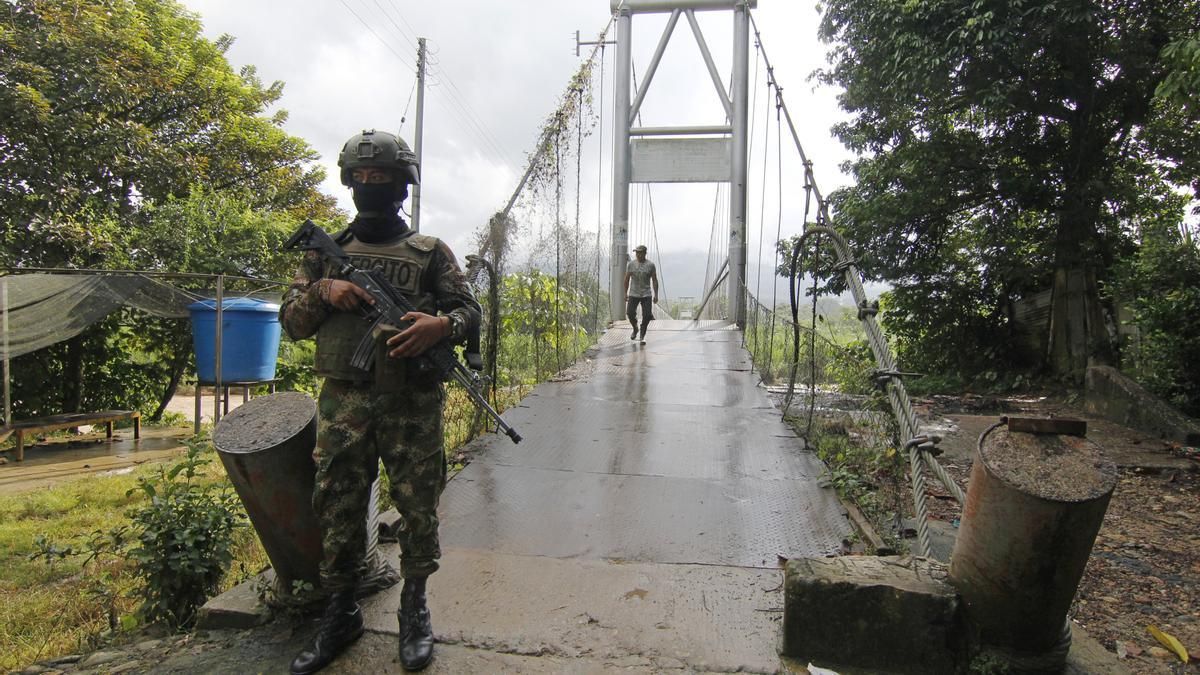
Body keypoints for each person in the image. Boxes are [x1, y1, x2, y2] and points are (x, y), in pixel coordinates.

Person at [279, 129, 480, 674]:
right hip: (344, 405)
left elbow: (470, 314)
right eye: (361, 178)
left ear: (401, 185)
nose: (370, 185)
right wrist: (324, 291)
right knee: (338, 505)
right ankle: (340, 611)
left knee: (417, 506)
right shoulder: (327, 256)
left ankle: (414, 609)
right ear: (349, 184)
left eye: (381, 178)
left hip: (412, 405)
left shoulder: (430, 253)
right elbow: (292, 324)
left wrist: (441, 326)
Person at [623, 244, 658, 344]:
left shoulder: (650, 265)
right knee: (630, 313)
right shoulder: (631, 264)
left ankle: (642, 335)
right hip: (634, 293)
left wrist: (656, 295)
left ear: (645, 253)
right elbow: (626, 279)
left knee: (647, 315)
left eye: (640, 252)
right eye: (636, 252)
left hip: (646, 294)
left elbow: (655, 280)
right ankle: (635, 328)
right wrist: (625, 293)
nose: (638, 255)